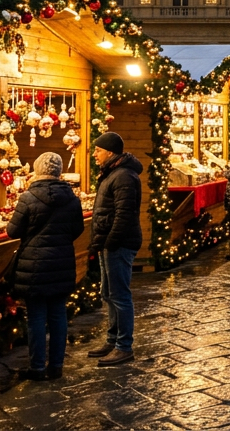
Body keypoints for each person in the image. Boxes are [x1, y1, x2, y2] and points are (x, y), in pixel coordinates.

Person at [6, 152, 84, 381]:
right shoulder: (72, 199)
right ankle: (56, 366)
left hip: (34, 266)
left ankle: (37, 367)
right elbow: (77, 229)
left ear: (38, 169)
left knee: (36, 317)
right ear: (59, 171)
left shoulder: (28, 197)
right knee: (59, 315)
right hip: (62, 263)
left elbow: (12, 231)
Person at [88, 131, 143, 367]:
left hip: (119, 243)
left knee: (120, 295)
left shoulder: (123, 176)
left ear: (110, 152)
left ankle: (124, 346)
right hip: (109, 242)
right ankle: (112, 339)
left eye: (98, 150)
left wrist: (110, 241)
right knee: (108, 294)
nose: (94, 154)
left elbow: (124, 214)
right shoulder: (112, 173)